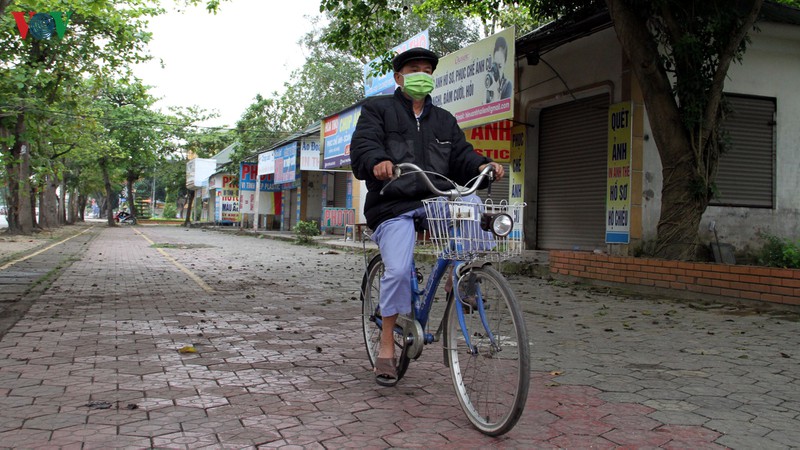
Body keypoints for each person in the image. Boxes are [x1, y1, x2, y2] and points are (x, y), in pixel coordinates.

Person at [350, 47, 504, 387]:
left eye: (426, 69)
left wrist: (482, 165)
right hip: (393, 204)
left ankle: (461, 275)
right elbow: (363, 146)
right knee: (400, 270)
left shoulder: (445, 120)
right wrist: (378, 161)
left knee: (475, 207)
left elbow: (461, 155)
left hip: (437, 199)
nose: (422, 74)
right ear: (399, 77)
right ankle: (388, 344)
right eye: (414, 68)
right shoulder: (378, 110)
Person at [485, 36, 513, 104]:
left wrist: (496, 91)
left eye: (500, 66)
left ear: (505, 63)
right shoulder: (488, 79)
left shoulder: (507, 85)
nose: (496, 70)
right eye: (495, 65)